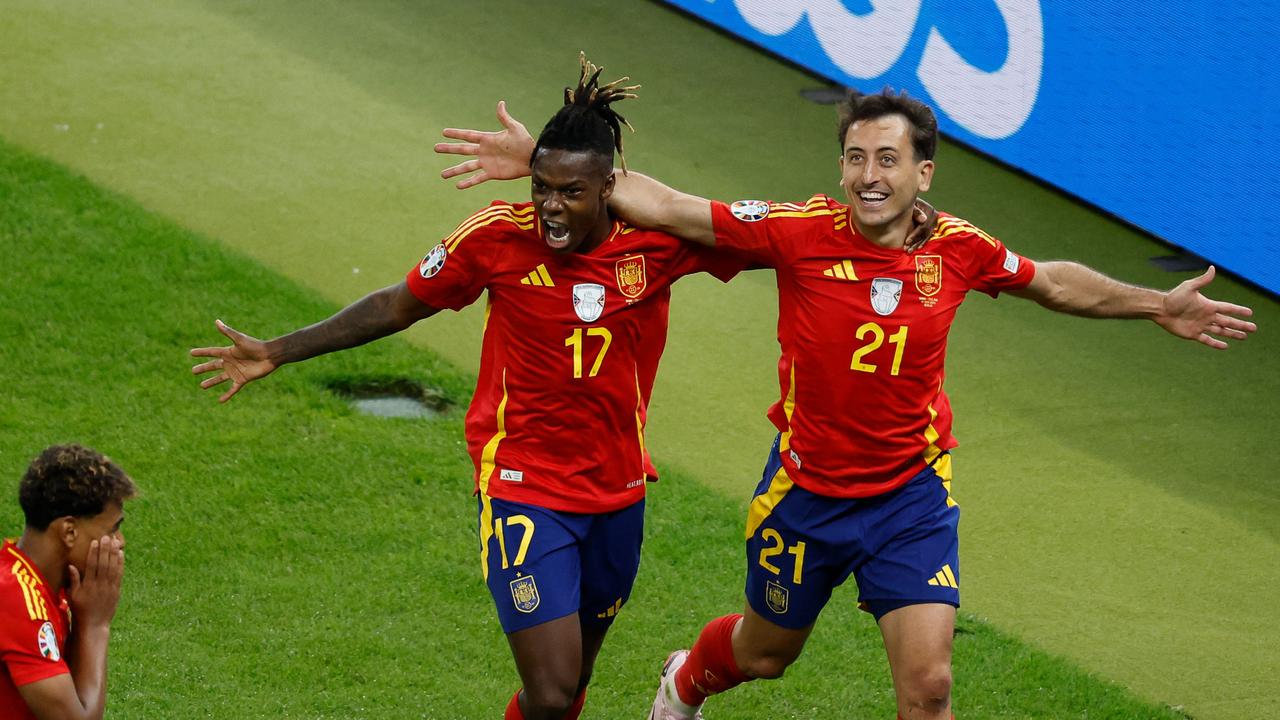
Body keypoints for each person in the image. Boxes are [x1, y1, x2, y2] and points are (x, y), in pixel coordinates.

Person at [435, 87, 1257, 719]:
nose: (871, 176)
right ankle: (686, 678)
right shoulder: (797, 230)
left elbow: (1049, 282)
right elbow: (673, 207)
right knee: (763, 656)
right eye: (857, 158)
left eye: (889, 160)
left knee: (929, 688)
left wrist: (1156, 304)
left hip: (910, 493)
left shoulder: (959, 248)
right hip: (807, 496)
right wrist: (552, 162)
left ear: (922, 172)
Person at [190, 55, 749, 720]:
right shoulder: (494, 239)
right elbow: (396, 304)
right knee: (548, 690)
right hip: (525, 488)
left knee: (570, 686)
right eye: (541, 186)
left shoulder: (658, 245)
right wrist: (278, 351)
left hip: (618, 493)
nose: (549, 206)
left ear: (611, 190)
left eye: (570, 191)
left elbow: (765, 234)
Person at [1, 444, 134, 720]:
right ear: (69, 532)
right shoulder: (15, 598)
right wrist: (95, 625)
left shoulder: (39, 583)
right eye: (113, 529)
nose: (120, 543)